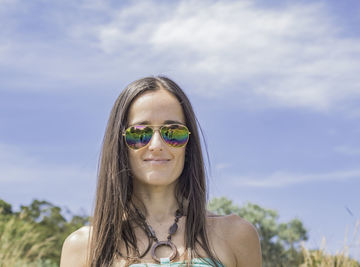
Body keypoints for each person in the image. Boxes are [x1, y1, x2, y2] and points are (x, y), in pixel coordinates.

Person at [60, 76, 262, 267]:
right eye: (139, 133)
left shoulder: (236, 235)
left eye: (173, 132)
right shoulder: (83, 248)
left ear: (188, 145)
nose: (156, 145)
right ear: (120, 144)